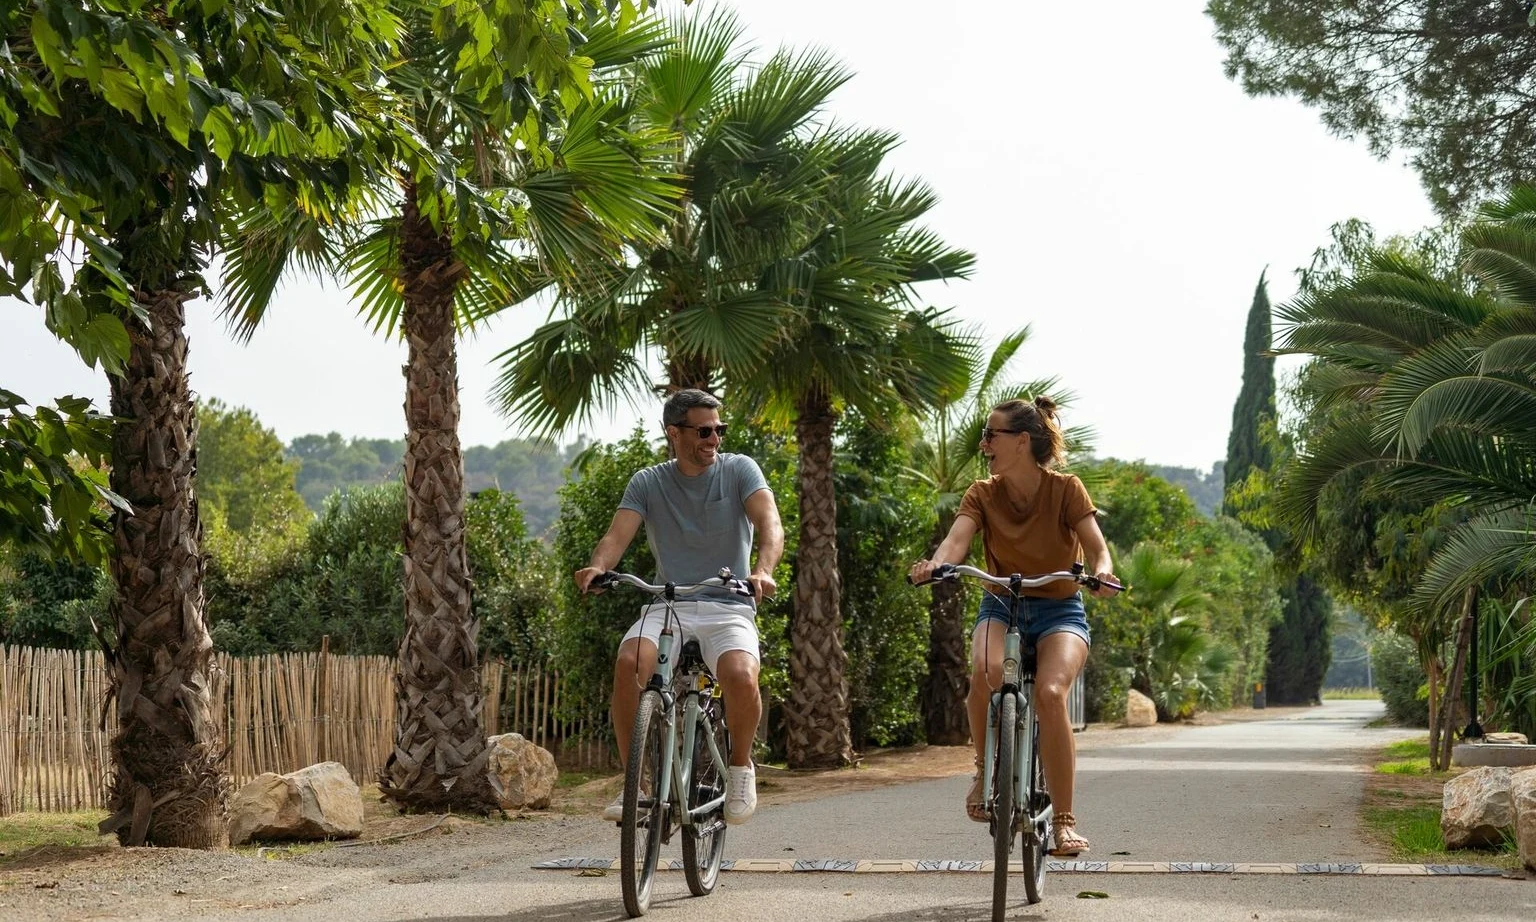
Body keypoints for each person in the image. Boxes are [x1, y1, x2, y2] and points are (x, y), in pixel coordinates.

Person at [908, 396, 1117, 857]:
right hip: (1002, 605)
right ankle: (984, 773)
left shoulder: (1067, 489)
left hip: (1061, 610)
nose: (983, 444)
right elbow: (955, 541)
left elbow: (1096, 547)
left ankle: (1064, 821)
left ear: (1021, 441)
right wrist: (936, 565)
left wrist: (1101, 572)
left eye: (991, 435)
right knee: (984, 672)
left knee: (1050, 694)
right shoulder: (982, 493)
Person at [576, 388, 784, 826]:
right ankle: (638, 783)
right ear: (674, 433)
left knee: (741, 675)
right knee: (630, 660)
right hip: (668, 603)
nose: (714, 439)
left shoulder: (740, 470)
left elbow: (770, 522)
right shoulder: (648, 482)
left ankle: (742, 768)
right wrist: (597, 567)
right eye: (704, 431)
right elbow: (616, 537)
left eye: (719, 430)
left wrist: (763, 570)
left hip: (728, 603)